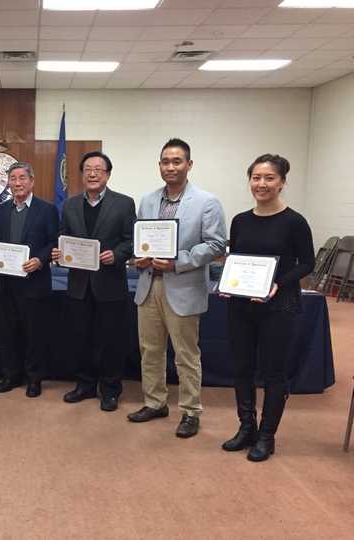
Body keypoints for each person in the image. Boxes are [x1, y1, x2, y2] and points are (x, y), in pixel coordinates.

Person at [128, 139, 226, 438]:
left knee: (185, 355)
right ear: (159, 166)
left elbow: (216, 244)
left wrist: (177, 262)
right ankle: (155, 402)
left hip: (182, 286)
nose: (170, 167)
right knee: (150, 351)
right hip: (148, 286)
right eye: (165, 162)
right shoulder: (147, 200)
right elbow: (141, 239)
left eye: (177, 161)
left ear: (189, 165)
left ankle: (190, 411)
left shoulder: (207, 202)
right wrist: (138, 257)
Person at [221, 154, 314, 462]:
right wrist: (227, 283)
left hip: (279, 306)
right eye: (256, 178)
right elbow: (235, 260)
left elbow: (307, 263)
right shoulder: (240, 220)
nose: (261, 184)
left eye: (269, 178)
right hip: (241, 307)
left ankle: (266, 436)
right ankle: (246, 427)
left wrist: (279, 283)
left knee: (274, 373)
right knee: (242, 368)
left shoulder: (295, 221)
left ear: (282, 182)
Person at [52, 151, 136, 412]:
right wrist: (59, 252)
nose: (92, 173)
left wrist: (118, 255)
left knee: (111, 340)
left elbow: (131, 240)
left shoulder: (124, 203)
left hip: (110, 284)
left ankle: (110, 389)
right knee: (81, 338)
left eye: (98, 169)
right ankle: (85, 385)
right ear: (81, 173)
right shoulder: (69, 205)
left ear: (108, 174)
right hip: (78, 285)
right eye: (88, 168)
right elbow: (64, 236)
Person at [0, 162, 59, 398]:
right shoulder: (0, 210)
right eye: (13, 179)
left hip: (34, 282)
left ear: (32, 181)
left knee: (34, 333)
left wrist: (40, 259)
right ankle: (10, 375)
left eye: (22, 178)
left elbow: (54, 242)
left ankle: (34, 378)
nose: (17, 183)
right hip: (6, 283)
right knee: (8, 332)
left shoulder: (47, 210)